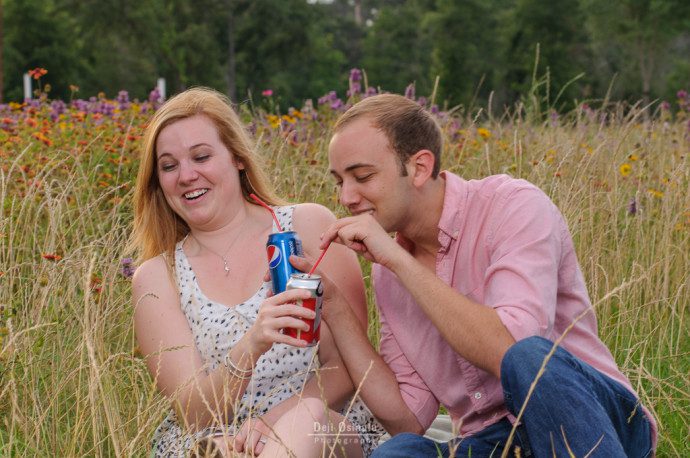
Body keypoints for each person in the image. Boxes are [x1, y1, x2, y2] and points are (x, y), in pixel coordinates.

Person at [292, 93, 657, 457]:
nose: (346, 197)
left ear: (419, 167)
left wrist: (401, 264)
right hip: (494, 444)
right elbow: (407, 418)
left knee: (529, 356)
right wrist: (336, 308)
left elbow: (512, 349)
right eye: (339, 181)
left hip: (593, 420)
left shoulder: (513, 206)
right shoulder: (389, 273)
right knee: (398, 452)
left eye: (363, 176)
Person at [130, 87, 382, 457]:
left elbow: (348, 365)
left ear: (237, 158)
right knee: (213, 451)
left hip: (326, 425)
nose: (186, 175)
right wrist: (251, 345)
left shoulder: (306, 228)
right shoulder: (157, 277)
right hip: (218, 438)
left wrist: (271, 423)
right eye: (168, 166)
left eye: (201, 156)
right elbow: (194, 413)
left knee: (304, 423)